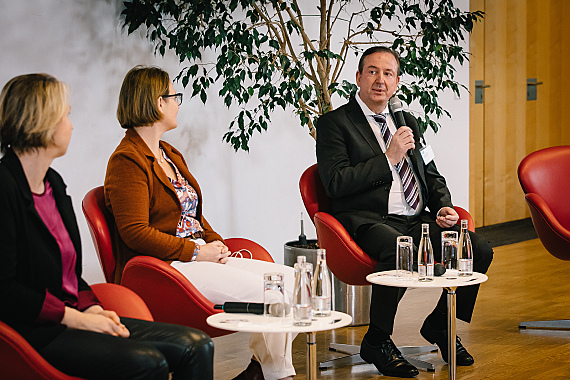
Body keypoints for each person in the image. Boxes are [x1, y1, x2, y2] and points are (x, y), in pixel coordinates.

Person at [0, 73, 214, 379]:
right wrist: (75, 318)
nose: (71, 125)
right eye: (65, 115)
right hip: (33, 331)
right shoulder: (5, 189)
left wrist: (92, 309)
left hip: (73, 315)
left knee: (198, 345)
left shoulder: (53, 185)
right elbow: (5, 291)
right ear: (41, 122)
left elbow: (70, 275)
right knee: (150, 362)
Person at [104, 66, 296, 380]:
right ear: (156, 103)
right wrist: (196, 251)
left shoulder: (168, 154)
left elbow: (192, 214)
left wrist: (215, 243)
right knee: (271, 297)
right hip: (166, 267)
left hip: (196, 256)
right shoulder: (127, 160)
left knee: (289, 282)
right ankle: (275, 376)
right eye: (173, 96)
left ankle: (261, 372)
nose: (178, 102)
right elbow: (135, 233)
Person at [316, 46, 494, 378]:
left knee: (478, 249)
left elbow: (431, 172)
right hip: (367, 220)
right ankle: (378, 340)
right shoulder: (334, 124)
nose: (379, 80)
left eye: (387, 74)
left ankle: (440, 325)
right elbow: (336, 183)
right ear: (358, 77)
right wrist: (388, 157)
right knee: (403, 249)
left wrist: (443, 207)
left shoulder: (407, 120)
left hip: (416, 219)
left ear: (397, 82)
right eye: (372, 72)